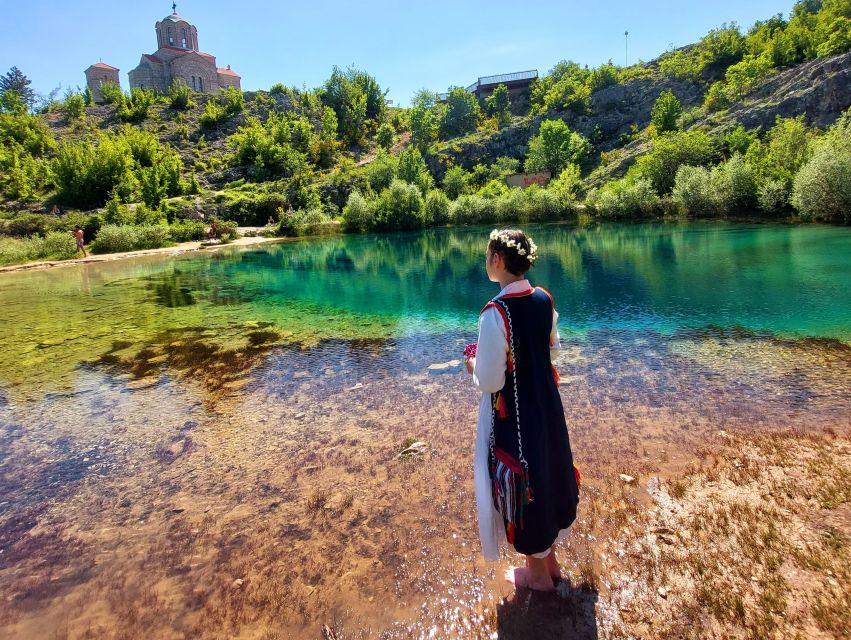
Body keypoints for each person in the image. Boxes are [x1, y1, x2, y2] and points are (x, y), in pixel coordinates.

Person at [465, 228, 580, 592]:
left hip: (514, 416)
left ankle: (538, 579)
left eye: (487, 256)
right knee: (548, 467)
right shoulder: (545, 299)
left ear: (497, 260)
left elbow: (489, 382)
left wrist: (471, 365)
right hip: (547, 404)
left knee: (524, 478)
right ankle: (552, 562)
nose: (486, 262)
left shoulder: (495, 313)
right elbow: (553, 351)